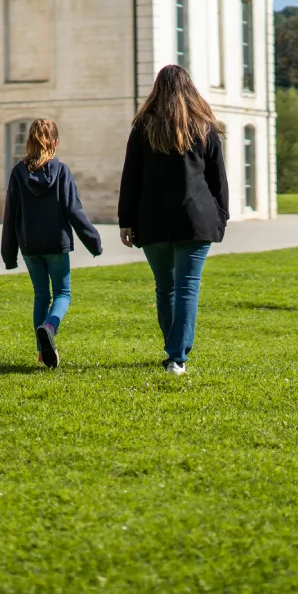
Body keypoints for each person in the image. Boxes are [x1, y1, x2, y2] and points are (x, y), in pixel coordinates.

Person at [117, 65, 230, 377]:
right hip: (196, 218)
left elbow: (131, 179)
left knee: (165, 287)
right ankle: (176, 356)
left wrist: (125, 220)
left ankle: (174, 353)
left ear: (157, 90)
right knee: (186, 287)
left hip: (151, 219)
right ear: (189, 89)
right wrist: (222, 217)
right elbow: (218, 180)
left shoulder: (143, 127)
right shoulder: (204, 127)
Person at [0, 118, 102, 368]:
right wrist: (93, 240)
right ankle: (49, 326)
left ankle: (41, 351)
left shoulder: (17, 173)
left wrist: (9, 254)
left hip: (30, 245)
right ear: (55, 143)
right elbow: (73, 209)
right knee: (63, 293)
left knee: (40, 294)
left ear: (28, 143)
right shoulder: (62, 171)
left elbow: (11, 215)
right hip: (57, 243)